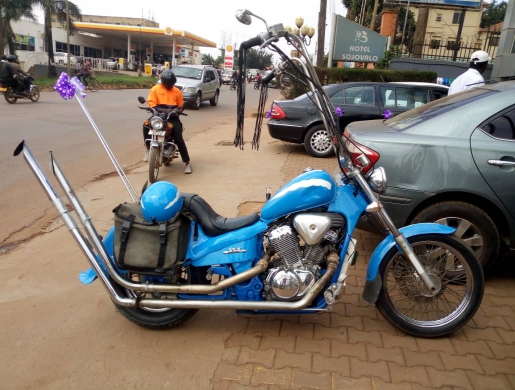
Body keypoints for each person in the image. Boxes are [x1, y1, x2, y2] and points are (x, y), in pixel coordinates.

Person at [143, 70, 193, 174]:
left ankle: (187, 163)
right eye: (168, 84)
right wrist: (164, 110)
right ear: (162, 82)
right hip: (158, 116)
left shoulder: (177, 91)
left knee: (178, 137)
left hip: (172, 118)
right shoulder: (155, 89)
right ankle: (148, 150)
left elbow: (180, 105)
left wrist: (179, 110)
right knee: (145, 125)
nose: (170, 86)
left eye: (171, 84)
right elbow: (152, 104)